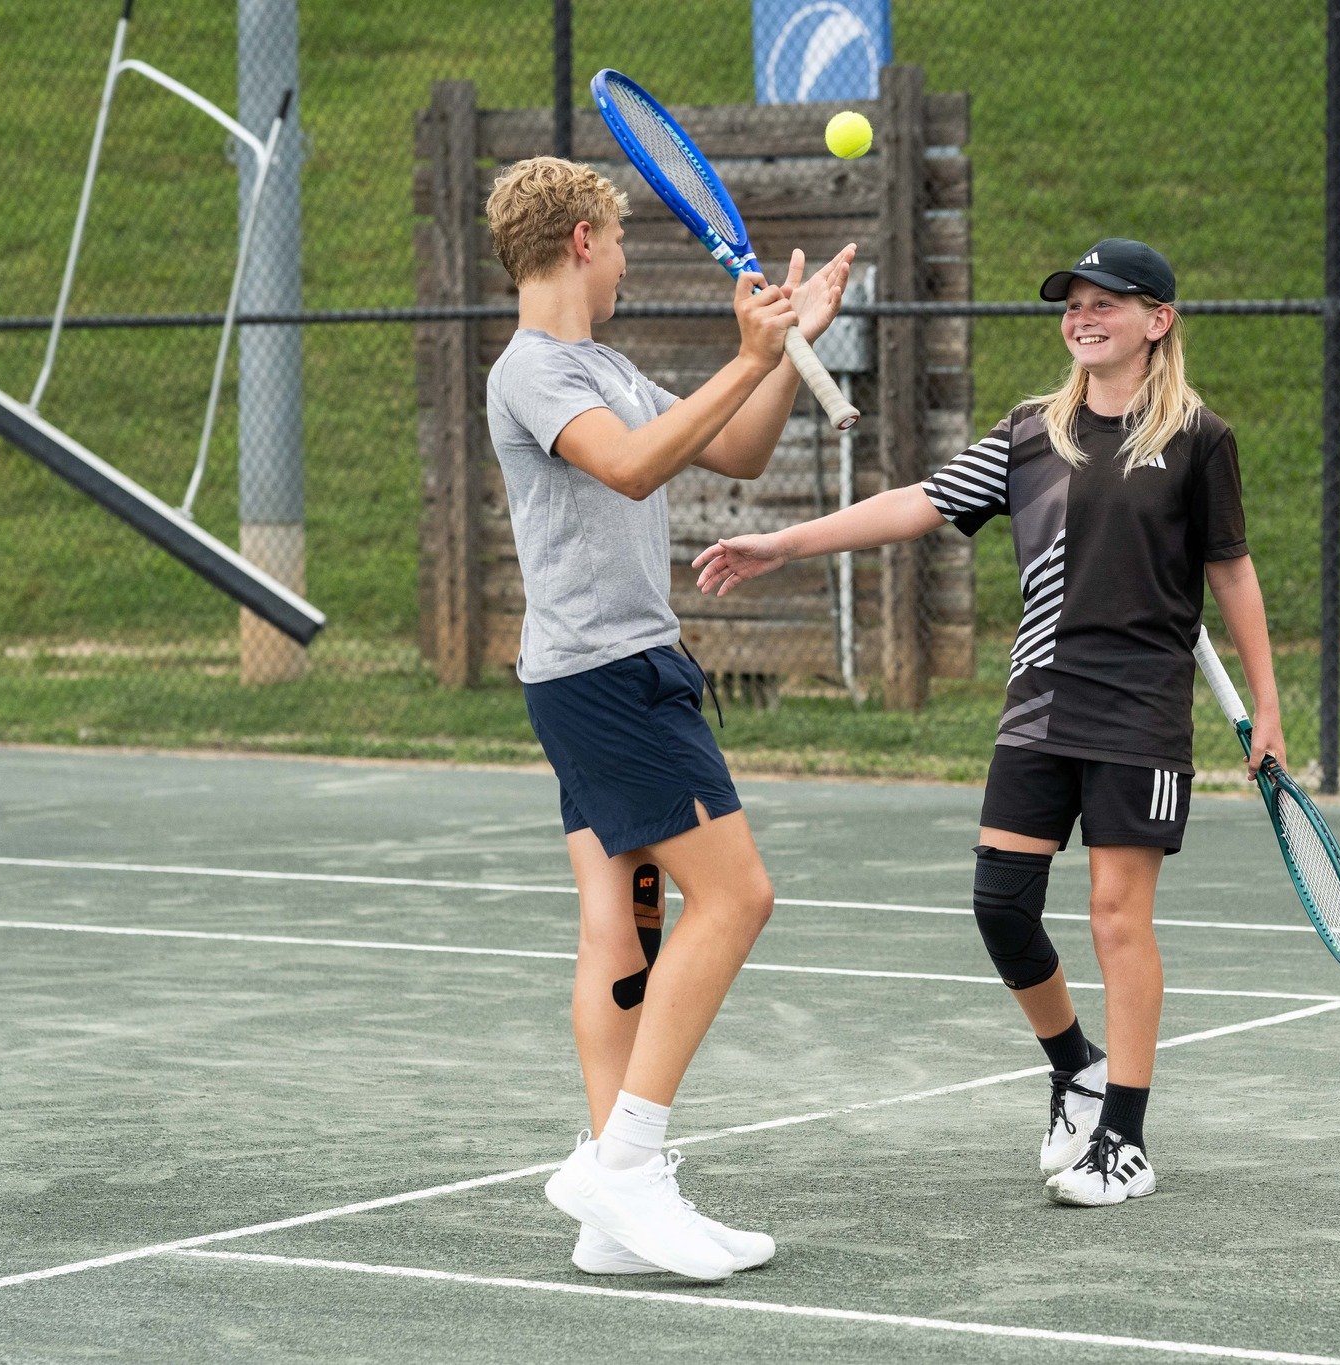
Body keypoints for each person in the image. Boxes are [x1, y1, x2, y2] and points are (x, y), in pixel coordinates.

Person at [693, 238, 1285, 1208]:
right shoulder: (1028, 434)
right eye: (1071, 303)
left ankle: (1123, 1141)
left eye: (1106, 302)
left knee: (1114, 920)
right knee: (999, 906)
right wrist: (783, 543)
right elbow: (917, 503)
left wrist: (1266, 707)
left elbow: (1229, 572)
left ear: (1156, 321)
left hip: (1137, 716)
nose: (1082, 316)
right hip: (1038, 707)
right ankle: (1073, 1068)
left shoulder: (1197, 440)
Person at [482, 156, 854, 1275]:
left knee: (622, 926)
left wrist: (789, 351)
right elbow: (635, 470)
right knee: (736, 896)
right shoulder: (535, 373)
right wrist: (744, 353)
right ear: (585, 242)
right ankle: (627, 1164)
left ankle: (611, 1213)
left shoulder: (602, 364)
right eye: (624, 241)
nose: (630, 260)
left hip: (596, 673)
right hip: (609, 677)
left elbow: (730, 450)